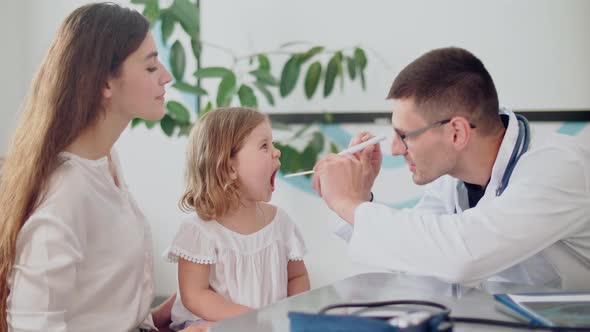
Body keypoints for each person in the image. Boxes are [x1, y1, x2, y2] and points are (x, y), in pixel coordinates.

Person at [312, 47, 590, 290]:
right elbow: (419, 257)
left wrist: (347, 202)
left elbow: (463, 255)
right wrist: (360, 199)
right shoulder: (453, 181)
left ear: (456, 132)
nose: (395, 149)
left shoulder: (560, 166)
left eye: (404, 135)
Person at [0, 3, 196, 331]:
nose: (167, 76)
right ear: (105, 83)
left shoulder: (103, 161)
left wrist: (166, 314)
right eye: (150, 68)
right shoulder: (66, 193)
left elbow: (101, 307)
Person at [163, 107, 310, 331]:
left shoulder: (281, 223)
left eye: (272, 144)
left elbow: (297, 276)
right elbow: (194, 295)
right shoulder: (198, 230)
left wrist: (295, 315)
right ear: (230, 167)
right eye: (264, 145)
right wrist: (254, 319)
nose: (276, 152)